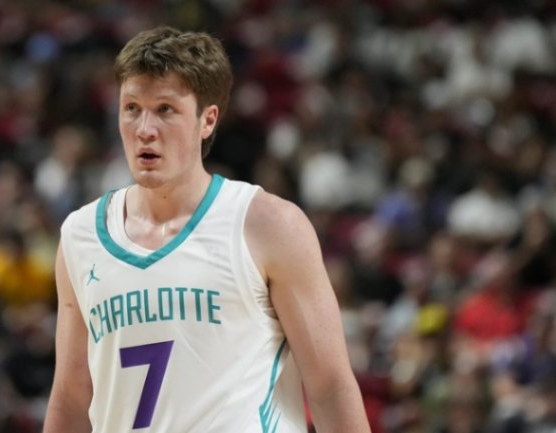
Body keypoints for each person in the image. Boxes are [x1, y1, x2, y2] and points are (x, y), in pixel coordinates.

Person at [43, 26, 371, 433]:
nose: (144, 128)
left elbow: (329, 388)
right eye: (131, 108)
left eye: (165, 109)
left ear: (207, 120)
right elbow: (71, 398)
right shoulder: (80, 236)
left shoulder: (268, 225)